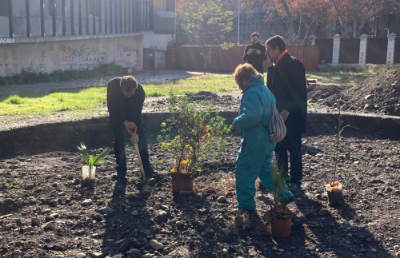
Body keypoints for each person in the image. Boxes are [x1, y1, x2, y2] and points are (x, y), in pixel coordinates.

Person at [232, 63, 294, 223]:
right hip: (268, 137)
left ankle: (246, 206)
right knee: (265, 169)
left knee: (244, 169)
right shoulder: (265, 90)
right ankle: (284, 194)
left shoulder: (251, 92)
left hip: (255, 139)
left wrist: (237, 122)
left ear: (244, 80)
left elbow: (253, 116)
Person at [265, 35, 307, 195]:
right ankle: (282, 178)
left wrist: (287, 110)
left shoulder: (294, 64)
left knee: (294, 148)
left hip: (292, 116)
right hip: (277, 117)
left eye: (268, 50)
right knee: (279, 148)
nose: (266, 53)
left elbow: (298, 91)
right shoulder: (275, 67)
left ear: (277, 49)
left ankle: (295, 181)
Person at [107, 75, 154, 181]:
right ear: (121, 88)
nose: (129, 96)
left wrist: (135, 133)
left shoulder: (140, 92)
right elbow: (112, 108)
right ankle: (121, 171)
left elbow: (136, 113)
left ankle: (147, 169)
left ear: (135, 89)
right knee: (119, 140)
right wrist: (124, 121)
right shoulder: (112, 86)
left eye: (131, 94)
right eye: (126, 94)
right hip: (117, 114)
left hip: (133, 113)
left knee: (141, 138)